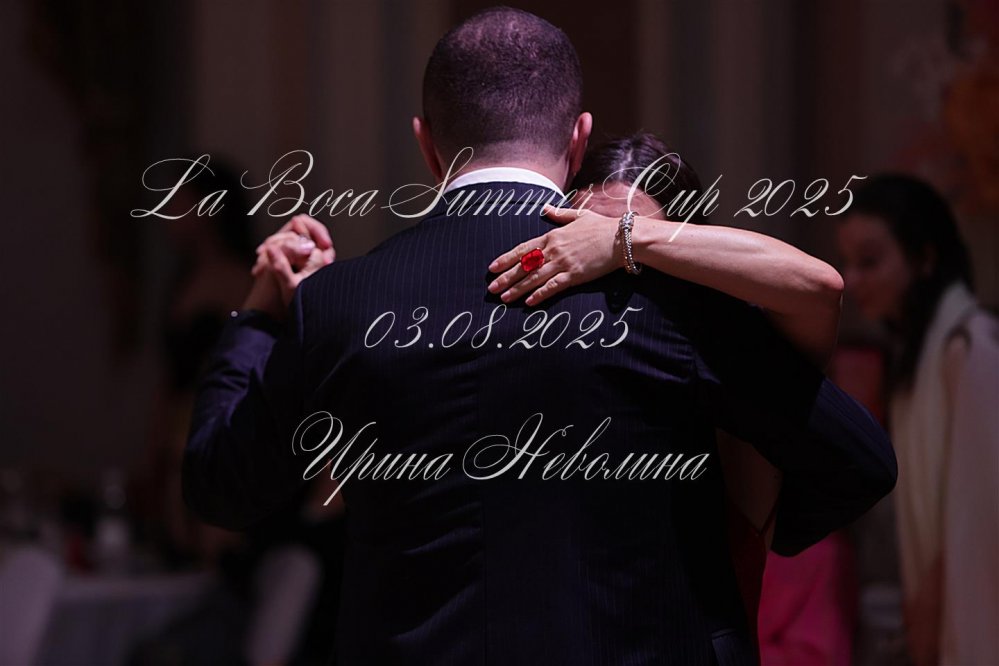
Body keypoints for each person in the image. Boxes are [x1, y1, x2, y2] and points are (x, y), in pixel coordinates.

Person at [183, 8, 896, 664]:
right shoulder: (659, 295)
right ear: (578, 138)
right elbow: (856, 462)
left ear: (426, 144)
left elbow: (222, 488)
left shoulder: (337, 304)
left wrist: (258, 320)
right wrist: (722, 539)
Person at [486, 132, 854, 649]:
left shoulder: (730, 381)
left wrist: (624, 241)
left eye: (626, 265)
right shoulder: (529, 370)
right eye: (579, 242)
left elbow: (820, 289)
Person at [837, 174, 999, 666]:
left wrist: (928, 611)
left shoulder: (971, 345)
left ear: (925, 258)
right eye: (848, 262)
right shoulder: (915, 356)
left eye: (869, 261)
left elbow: (980, 517)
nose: (850, 279)